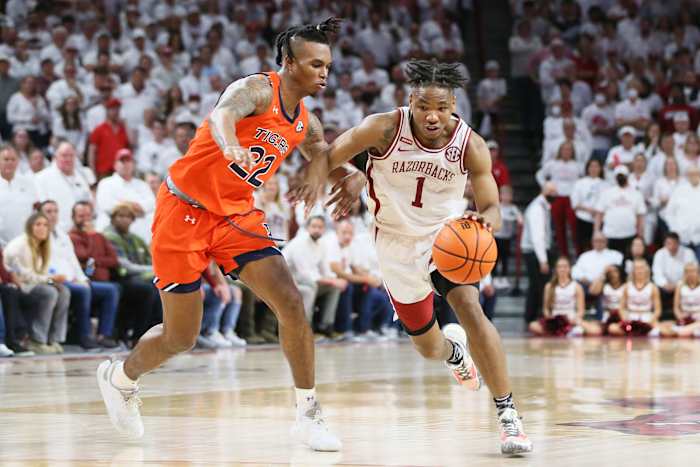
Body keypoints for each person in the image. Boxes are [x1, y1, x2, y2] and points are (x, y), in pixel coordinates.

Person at [96, 19, 350, 451]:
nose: (324, 72)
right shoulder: (256, 89)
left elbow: (322, 153)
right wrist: (229, 139)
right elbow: (224, 113)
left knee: (290, 300)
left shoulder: (305, 120)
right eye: (314, 63)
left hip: (236, 216)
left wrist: (348, 174)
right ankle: (120, 378)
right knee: (181, 337)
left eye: (327, 64)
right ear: (288, 63)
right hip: (183, 211)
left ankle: (308, 413)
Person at [293, 59, 532, 455]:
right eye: (423, 106)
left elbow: (492, 207)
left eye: (440, 106)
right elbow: (325, 155)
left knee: (471, 309)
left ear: (454, 103)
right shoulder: (383, 127)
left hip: (446, 238)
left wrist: (483, 221)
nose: (432, 115)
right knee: (427, 347)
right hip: (394, 244)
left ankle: (508, 416)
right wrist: (344, 178)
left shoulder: (469, 144)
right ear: (410, 102)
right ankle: (453, 353)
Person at [3, 213, 70, 354]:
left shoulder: (42, 246)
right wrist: (50, 280)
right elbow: (23, 275)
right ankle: (36, 340)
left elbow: (40, 274)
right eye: (38, 224)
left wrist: (51, 280)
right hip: (18, 286)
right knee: (49, 292)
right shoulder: (20, 245)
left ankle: (53, 339)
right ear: (29, 227)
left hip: (32, 284)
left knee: (64, 291)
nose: (42, 228)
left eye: (45, 225)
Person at [529, 257, 600, 337]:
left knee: (595, 330)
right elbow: (546, 309)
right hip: (555, 319)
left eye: (565, 266)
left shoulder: (577, 287)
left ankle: (560, 332)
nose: (562, 269)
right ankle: (565, 332)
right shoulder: (549, 286)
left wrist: (575, 319)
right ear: (556, 269)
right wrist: (549, 317)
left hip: (570, 319)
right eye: (559, 267)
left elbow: (581, 310)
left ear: (569, 269)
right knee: (533, 325)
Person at [594, 165, 646, 256]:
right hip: (610, 234)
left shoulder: (636, 194)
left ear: (628, 176)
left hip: (630, 234)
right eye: (619, 176)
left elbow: (640, 217)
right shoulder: (607, 193)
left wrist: (640, 236)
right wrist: (596, 232)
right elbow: (599, 214)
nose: (621, 178)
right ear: (615, 177)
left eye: (623, 176)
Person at [608, 259, 662, 337]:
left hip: (647, 316)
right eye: (637, 268)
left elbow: (658, 310)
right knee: (612, 328)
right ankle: (638, 333)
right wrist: (624, 319)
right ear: (633, 271)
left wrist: (651, 320)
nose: (639, 271)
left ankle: (638, 333)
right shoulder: (627, 286)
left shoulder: (653, 287)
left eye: (641, 268)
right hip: (631, 316)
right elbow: (621, 308)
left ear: (646, 270)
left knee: (661, 330)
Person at [570, 158, 607, 255]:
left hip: (601, 220)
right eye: (591, 166)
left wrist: (598, 212)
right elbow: (574, 203)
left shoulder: (606, 184)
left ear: (600, 168)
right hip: (583, 219)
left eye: (596, 166)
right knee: (582, 246)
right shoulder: (579, 183)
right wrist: (588, 209)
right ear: (587, 168)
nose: (594, 169)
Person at [672, 263, 700, 338]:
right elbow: (676, 307)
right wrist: (679, 316)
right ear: (684, 273)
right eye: (688, 271)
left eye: (693, 271)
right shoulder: (680, 285)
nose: (690, 274)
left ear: (698, 272)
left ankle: (686, 330)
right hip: (685, 315)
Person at [600, 264, 626, 334]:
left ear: (620, 272)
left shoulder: (626, 286)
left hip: (622, 314)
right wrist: (603, 274)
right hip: (608, 313)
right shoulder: (604, 286)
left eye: (615, 271)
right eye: (610, 272)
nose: (613, 274)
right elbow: (593, 291)